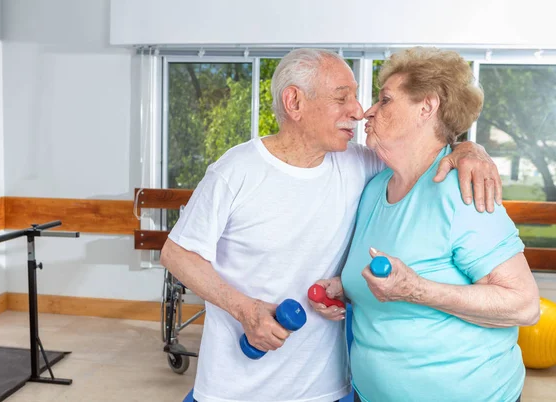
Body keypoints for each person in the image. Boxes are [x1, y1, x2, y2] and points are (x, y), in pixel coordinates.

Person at [160, 48, 502, 402]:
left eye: (358, 97)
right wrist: (244, 309)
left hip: (326, 387)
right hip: (235, 387)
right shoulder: (236, 170)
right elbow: (177, 255)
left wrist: (467, 150)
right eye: (342, 98)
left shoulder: (360, 164)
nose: (358, 111)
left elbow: (421, 152)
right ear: (294, 102)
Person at [325, 47, 539, 402]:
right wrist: (344, 286)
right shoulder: (375, 188)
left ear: (426, 107)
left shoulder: (463, 188)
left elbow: (524, 305)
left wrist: (416, 289)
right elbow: (390, 277)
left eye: (385, 100)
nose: (367, 112)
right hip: (369, 392)